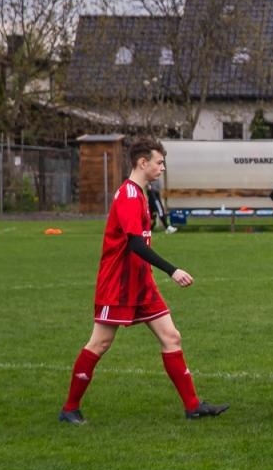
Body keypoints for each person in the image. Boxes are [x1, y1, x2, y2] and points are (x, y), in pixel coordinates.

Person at [60, 137, 227, 423]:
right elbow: (136, 244)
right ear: (142, 163)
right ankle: (70, 409)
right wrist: (172, 270)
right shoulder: (127, 195)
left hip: (141, 282)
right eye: (159, 162)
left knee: (171, 337)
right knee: (99, 343)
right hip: (119, 284)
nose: (162, 168)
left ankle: (192, 405)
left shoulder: (140, 194)